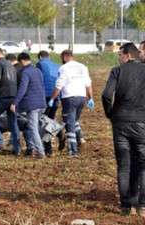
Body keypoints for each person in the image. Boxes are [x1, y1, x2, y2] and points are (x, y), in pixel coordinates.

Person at [102, 43, 145, 217]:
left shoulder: (117, 71)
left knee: (123, 166)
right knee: (143, 165)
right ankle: (143, 206)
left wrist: (110, 114)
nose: (118, 58)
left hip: (120, 122)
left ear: (127, 55)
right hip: (142, 122)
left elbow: (106, 94)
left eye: (120, 54)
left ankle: (126, 206)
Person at [48, 50, 94, 157]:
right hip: (81, 98)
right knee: (74, 120)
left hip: (69, 98)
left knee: (69, 124)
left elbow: (59, 85)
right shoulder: (83, 67)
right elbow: (88, 84)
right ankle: (80, 138)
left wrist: (52, 98)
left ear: (64, 57)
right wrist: (90, 98)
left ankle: (72, 151)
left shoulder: (64, 68)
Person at [10, 53, 47, 159]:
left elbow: (22, 89)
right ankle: (33, 147)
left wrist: (14, 103)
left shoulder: (25, 72)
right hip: (41, 103)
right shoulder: (38, 71)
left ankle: (40, 151)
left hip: (32, 105)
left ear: (21, 61)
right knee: (34, 127)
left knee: (33, 128)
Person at [0, 47, 20, 153]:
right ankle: (17, 148)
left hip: (3, 96)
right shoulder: (11, 65)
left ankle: (0, 142)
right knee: (13, 122)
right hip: (13, 97)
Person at [36, 51, 65, 156]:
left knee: (43, 123)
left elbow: (38, 80)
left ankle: (48, 150)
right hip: (55, 96)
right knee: (50, 121)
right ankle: (59, 134)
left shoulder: (40, 64)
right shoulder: (57, 66)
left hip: (45, 96)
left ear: (40, 57)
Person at [5, 53, 31, 153]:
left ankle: (17, 147)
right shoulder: (25, 69)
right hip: (28, 99)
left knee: (16, 123)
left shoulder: (13, 70)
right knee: (26, 123)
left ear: (9, 61)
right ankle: (29, 146)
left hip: (18, 100)